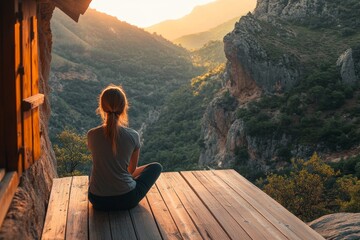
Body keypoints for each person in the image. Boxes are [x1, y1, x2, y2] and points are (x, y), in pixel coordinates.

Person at [87, 84, 162, 211]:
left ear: (102, 107)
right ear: (124, 108)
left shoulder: (91, 134)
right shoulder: (133, 135)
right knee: (156, 167)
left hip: (97, 199)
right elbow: (131, 171)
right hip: (126, 199)